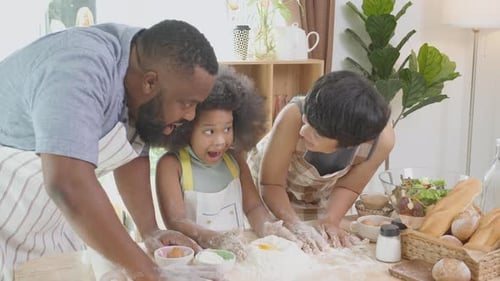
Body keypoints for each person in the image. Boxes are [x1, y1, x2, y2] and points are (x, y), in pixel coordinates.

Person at [0, 19, 223, 281]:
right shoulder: (80, 68)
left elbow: (131, 154)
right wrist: (151, 274)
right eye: (187, 103)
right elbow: (68, 182)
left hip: (54, 220)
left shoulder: (137, 70)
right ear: (150, 82)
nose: (191, 114)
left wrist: (150, 230)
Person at [155, 65, 301, 260]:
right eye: (209, 131)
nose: (220, 141)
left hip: (239, 255)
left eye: (227, 129)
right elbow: (176, 221)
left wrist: (267, 227)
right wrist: (216, 239)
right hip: (198, 261)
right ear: (186, 127)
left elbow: (253, 207)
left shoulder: (235, 160)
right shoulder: (171, 166)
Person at [247, 70, 395, 253]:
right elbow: (271, 184)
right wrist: (295, 225)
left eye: (316, 132)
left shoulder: (381, 142)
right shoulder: (292, 116)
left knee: (319, 247)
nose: (303, 132)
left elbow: (348, 187)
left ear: (349, 143)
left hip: (316, 197)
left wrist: (331, 220)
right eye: (306, 121)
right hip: (267, 190)